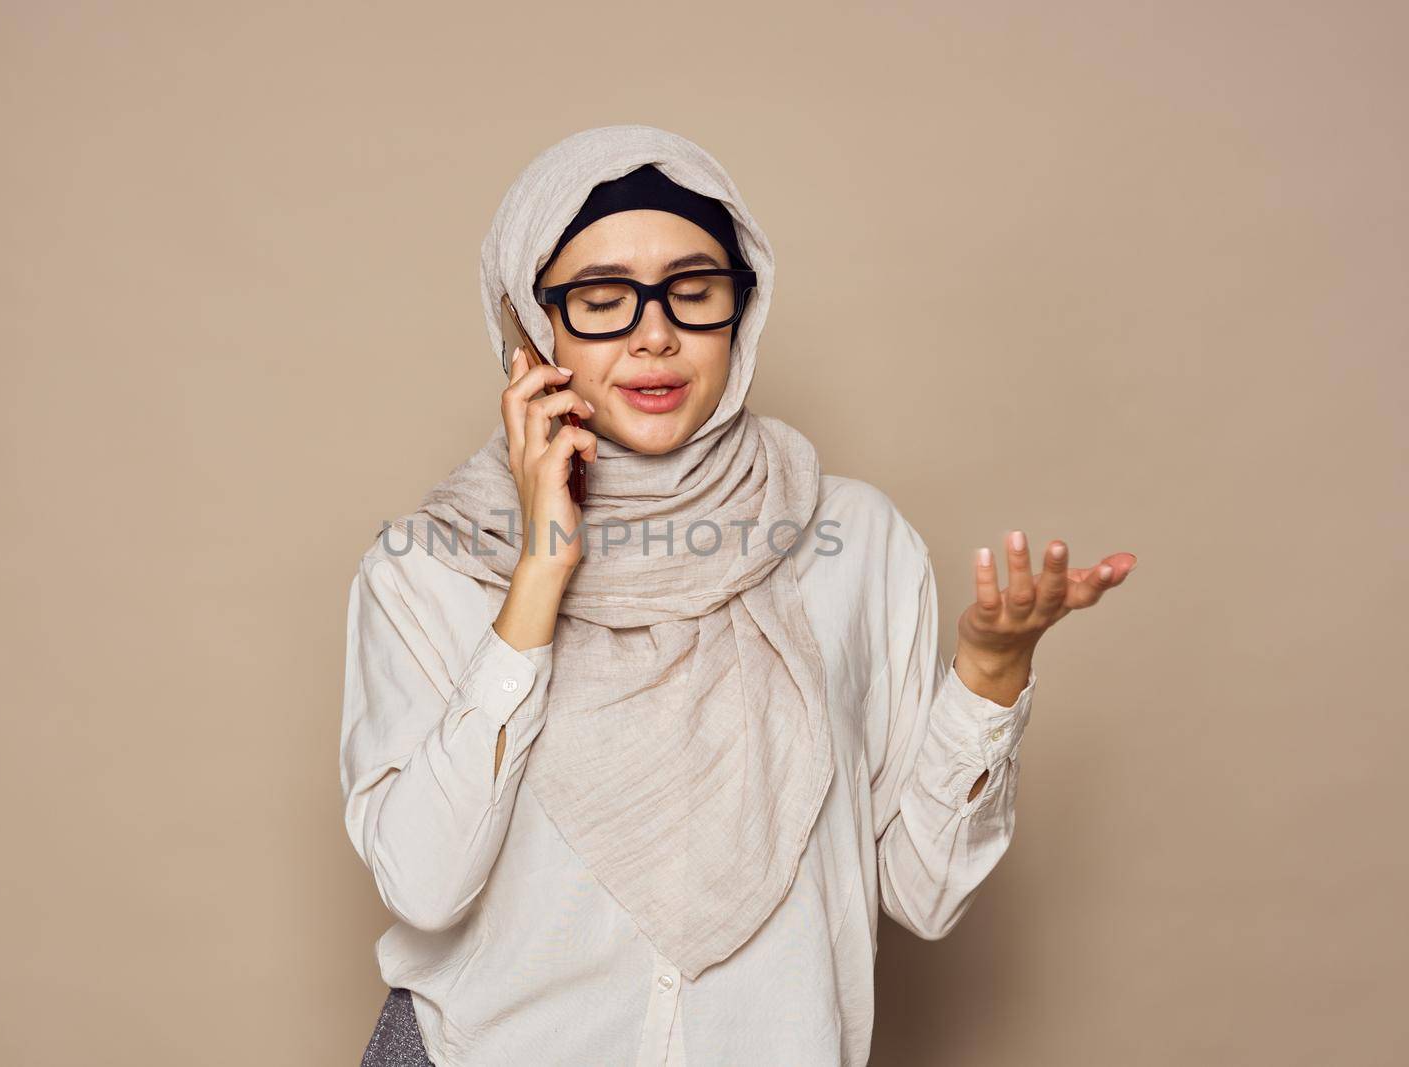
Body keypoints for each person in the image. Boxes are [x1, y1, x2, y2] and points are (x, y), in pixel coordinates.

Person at [341, 124, 1136, 1067]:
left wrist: (992, 675)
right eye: (601, 298)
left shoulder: (855, 544)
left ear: (742, 310)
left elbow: (922, 890)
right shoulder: (427, 568)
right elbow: (424, 884)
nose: (654, 332)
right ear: (528, 326)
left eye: (694, 290)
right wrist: (541, 572)